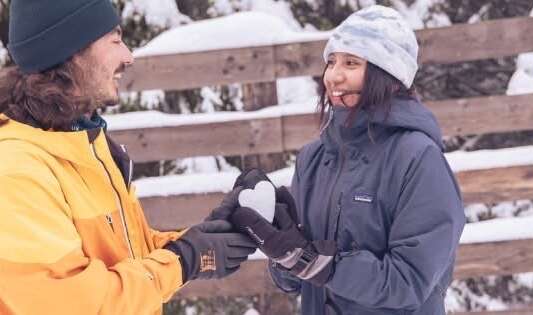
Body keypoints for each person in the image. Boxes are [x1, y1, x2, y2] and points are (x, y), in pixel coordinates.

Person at [0, 1, 256, 314]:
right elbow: (77, 305)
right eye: (115, 39)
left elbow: (122, 257)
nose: (128, 56)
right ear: (70, 50)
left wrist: (201, 240)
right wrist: (182, 260)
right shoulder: (17, 171)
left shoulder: (78, 142)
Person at [218, 5, 466, 315]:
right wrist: (281, 249)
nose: (334, 76)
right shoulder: (314, 158)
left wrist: (320, 265)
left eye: (351, 63)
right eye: (331, 61)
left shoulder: (417, 159)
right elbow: (297, 282)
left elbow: (410, 281)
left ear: (387, 74)